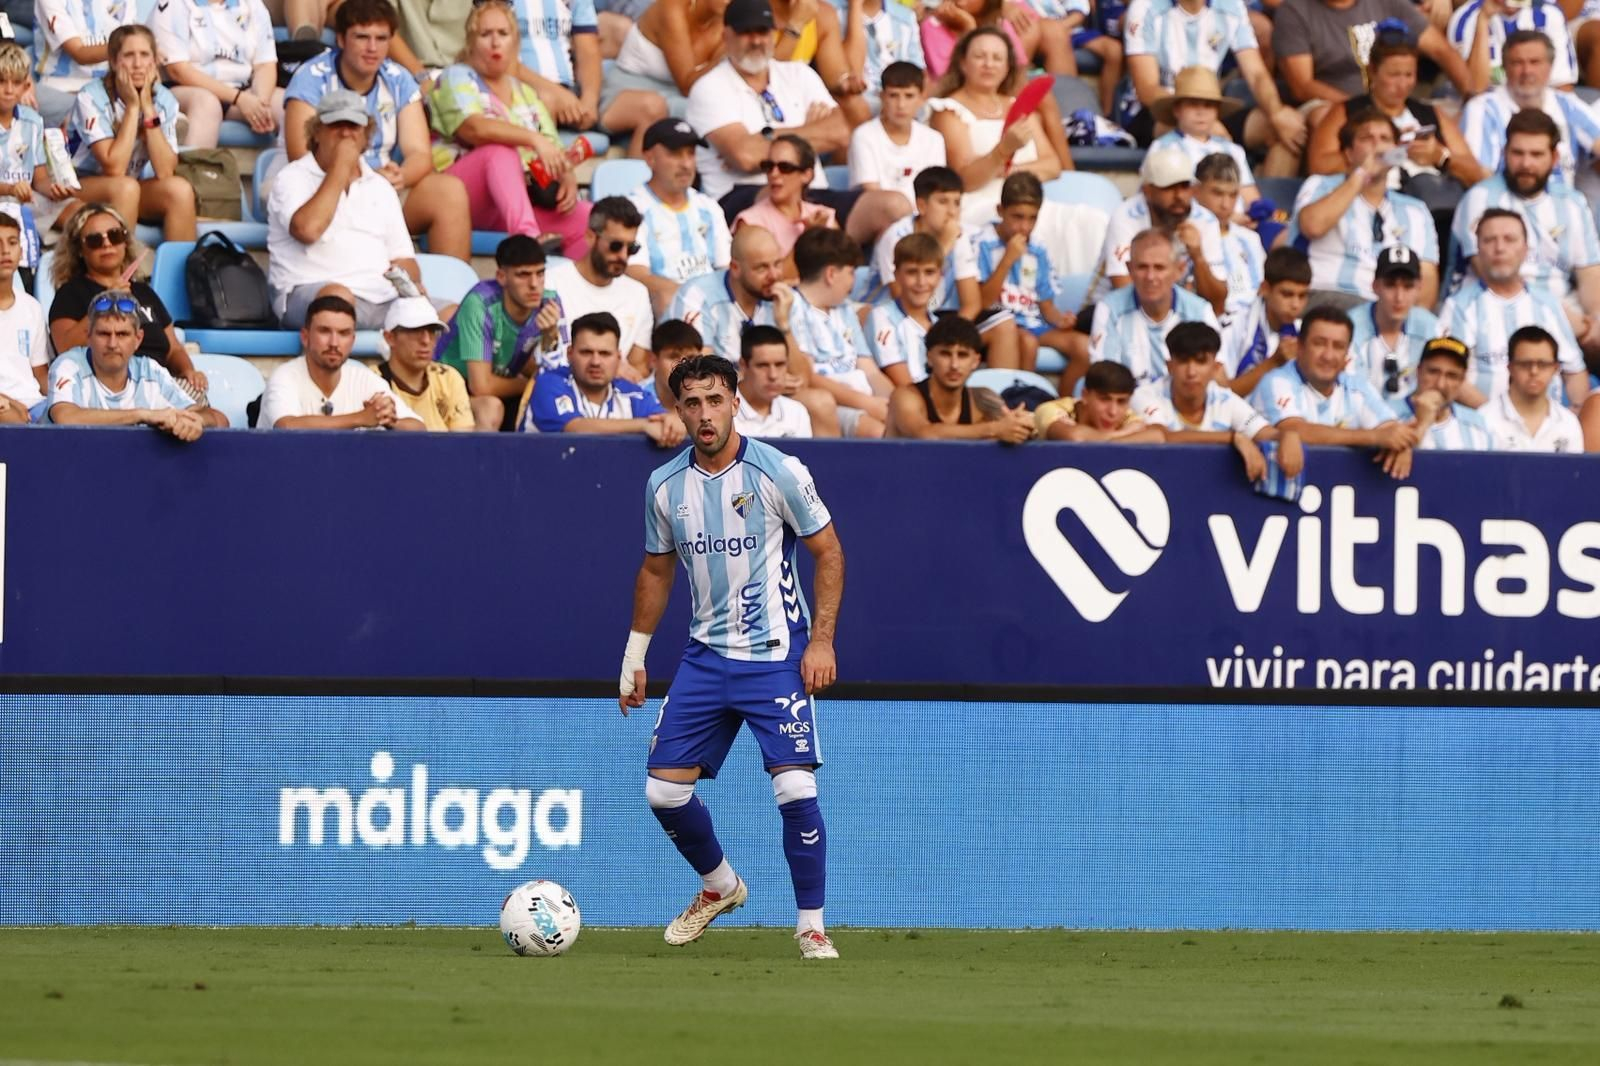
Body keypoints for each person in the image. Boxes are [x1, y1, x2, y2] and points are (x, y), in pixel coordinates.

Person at [618, 351, 845, 960]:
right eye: (692, 403)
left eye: (715, 400)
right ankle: (719, 886)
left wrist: (821, 640)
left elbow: (829, 553)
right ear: (679, 409)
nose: (705, 414)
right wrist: (634, 655)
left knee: (795, 788)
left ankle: (811, 926)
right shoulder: (665, 486)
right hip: (705, 658)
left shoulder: (779, 471)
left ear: (735, 400)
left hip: (775, 656)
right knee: (663, 793)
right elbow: (655, 571)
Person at [686, 0, 905, 245]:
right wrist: (810, 133)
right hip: (742, 197)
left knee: (894, 206)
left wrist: (764, 137)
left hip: (811, 194)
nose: (757, 41)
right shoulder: (710, 87)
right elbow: (746, 156)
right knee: (782, 195)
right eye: (746, 33)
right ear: (726, 36)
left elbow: (841, 132)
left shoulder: (797, 74)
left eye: (763, 31)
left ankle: (839, 259)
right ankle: (822, 252)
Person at [285, 0, 471, 261]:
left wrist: (400, 177)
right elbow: (299, 154)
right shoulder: (311, 76)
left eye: (381, 38)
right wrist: (362, 178)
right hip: (325, 186)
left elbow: (419, 154)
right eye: (362, 37)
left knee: (449, 191)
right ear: (340, 39)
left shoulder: (399, 78)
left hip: (383, 189)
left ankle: (457, 297)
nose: (372, 48)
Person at [423, 0, 585, 258]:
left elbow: (551, 146)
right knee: (499, 151)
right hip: (460, 197)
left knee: (586, 217)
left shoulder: (526, 91)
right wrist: (532, 139)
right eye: (485, 34)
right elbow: (474, 128)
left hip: (515, 200)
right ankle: (527, 239)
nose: (495, 42)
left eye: (503, 34)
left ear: (515, 43)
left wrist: (566, 174)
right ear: (471, 42)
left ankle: (573, 291)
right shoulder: (455, 77)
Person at [267, 90, 427, 330]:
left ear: (366, 136)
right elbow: (308, 230)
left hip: (381, 299)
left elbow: (405, 258)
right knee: (338, 301)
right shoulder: (292, 177)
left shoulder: (380, 187)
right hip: (310, 294)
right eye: (335, 125)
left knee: (450, 313)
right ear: (317, 132)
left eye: (354, 126)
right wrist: (341, 167)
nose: (345, 133)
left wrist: (408, 282)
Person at [1450, 108, 1600, 354]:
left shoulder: (1572, 202)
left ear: (1554, 159)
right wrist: (1562, 317)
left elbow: (1591, 274)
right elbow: (1494, 275)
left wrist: (1595, 319)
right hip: (1493, 308)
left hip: (1567, 313)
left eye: (1536, 154)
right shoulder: (1481, 198)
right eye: (1517, 153)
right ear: (1504, 153)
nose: (1526, 164)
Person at [1125, 2, 1306, 175]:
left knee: (1290, 130)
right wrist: (1205, 120)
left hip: (1210, 106)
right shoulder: (1145, 7)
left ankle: (1257, 199)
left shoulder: (1231, 5)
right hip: (1156, 112)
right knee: (1195, 128)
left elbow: (1257, 74)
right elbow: (1147, 89)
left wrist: (1276, 113)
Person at [1437, 208, 1590, 408]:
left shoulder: (1547, 304)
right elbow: (1449, 376)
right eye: (1489, 240)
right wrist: (1500, 421)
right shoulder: (1458, 306)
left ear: (1526, 249)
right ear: (1478, 250)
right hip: (1484, 428)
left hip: (1547, 428)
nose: (1499, 248)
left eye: (1509, 239)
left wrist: (1574, 416)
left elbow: (1574, 370)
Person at [927, 27, 1072, 234]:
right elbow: (965, 180)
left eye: (997, 58)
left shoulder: (1019, 107)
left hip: (1030, 202)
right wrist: (1003, 150)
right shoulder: (948, 110)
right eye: (979, 56)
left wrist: (1006, 173)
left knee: (1087, 222)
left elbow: (1052, 165)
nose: (988, 64)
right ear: (962, 63)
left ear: (1007, 67)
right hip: (983, 205)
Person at [1289, 109, 1438, 310]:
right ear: (1349, 153)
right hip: (1325, 298)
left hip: (1386, 312)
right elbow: (1313, 226)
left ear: (1396, 152)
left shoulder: (1415, 210)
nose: (1377, 145)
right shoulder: (1320, 186)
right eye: (1367, 138)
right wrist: (1361, 175)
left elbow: (1426, 278)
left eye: (1385, 138)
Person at [1305, 29, 1486, 194]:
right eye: (1393, 75)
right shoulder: (1346, 112)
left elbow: (1476, 174)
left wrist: (1440, 157)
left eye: (1409, 75)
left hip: (1434, 201)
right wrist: (1381, 153)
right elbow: (1319, 166)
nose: (1402, 84)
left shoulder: (1430, 114)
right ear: (1373, 71)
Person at [1249, 304, 1420, 478]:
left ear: (1347, 354)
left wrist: (1400, 444)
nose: (1328, 356)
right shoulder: (1277, 381)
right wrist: (1376, 437)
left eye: (1338, 346)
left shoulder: (1357, 386)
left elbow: (1390, 429)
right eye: (1319, 343)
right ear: (1299, 347)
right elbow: (1295, 431)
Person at [48, 203, 203, 389]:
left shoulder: (144, 292)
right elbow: (65, 348)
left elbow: (174, 349)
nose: (107, 244)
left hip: (159, 383)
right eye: (95, 240)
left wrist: (188, 371)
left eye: (115, 235)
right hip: (105, 387)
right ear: (80, 250)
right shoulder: (71, 293)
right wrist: (105, 300)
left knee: (214, 417)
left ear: (125, 241)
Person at [69, 24, 196, 243]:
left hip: (129, 187)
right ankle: (122, 273)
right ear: (113, 61)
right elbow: (114, 167)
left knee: (179, 190)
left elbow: (165, 171)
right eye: (129, 55)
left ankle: (185, 274)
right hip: (80, 185)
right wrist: (133, 108)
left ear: (154, 61)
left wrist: (147, 106)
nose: (138, 64)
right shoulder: (90, 97)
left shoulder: (165, 100)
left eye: (145, 55)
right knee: (126, 187)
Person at [1132, 321, 1303, 481]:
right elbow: (1162, 436)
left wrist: (1288, 435)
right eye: (1183, 361)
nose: (1191, 372)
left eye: (1200, 362)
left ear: (1215, 368)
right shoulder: (1146, 396)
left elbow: (1264, 432)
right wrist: (1233, 438)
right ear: (1170, 366)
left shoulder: (1225, 399)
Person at [1273, 0, 1473, 130]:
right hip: (1332, 103)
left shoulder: (1386, 3)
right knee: (1324, 117)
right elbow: (1303, 86)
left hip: (1397, 100)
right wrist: (1365, 108)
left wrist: (1471, 98)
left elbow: (1442, 51)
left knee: (1457, 119)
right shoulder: (1294, 11)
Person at [48, 288, 225, 435]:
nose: (112, 344)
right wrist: (142, 415)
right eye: (103, 334)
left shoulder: (150, 370)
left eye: (122, 334)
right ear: (88, 337)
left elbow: (218, 419)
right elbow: (66, 417)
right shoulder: (69, 365)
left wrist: (196, 421)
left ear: (138, 339)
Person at [438, 233, 565, 431]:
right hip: (450, 388)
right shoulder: (480, 303)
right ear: (502, 277)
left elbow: (554, 371)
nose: (534, 284)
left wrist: (550, 337)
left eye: (540, 274)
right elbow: (480, 387)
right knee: (492, 407)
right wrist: (531, 385)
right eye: (523, 275)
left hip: (503, 385)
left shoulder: (549, 303)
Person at [976, 171, 1085, 385]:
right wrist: (1007, 260)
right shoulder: (980, 243)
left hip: (1032, 323)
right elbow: (982, 303)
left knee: (1085, 347)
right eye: (1017, 217)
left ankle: (1060, 406)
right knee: (1027, 342)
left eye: (1032, 218)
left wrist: (1060, 319)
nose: (1025, 227)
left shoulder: (1038, 249)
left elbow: (1046, 306)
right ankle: (1022, 401)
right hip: (996, 322)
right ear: (1000, 211)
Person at [1090, 146, 1227, 314]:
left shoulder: (1205, 220)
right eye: (1169, 187)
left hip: (1174, 313)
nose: (1179, 196)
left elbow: (1218, 304)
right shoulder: (1126, 216)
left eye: (1185, 186)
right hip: (1111, 310)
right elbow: (1124, 288)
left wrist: (1198, 257)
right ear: (1147, 190)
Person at [1459, 29, 1600, 190]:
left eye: (1535, 62)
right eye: (1517, 63)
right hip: (1504, 205)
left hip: (1563, 206)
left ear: (1550, 66)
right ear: (1504, 67)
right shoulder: (1482, 109)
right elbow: (1478, 175)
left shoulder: (1567, 104)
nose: (1527, 71)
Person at [258, 295, 426, 430]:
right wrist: (362, 418)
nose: (334, 343)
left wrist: (389, 421)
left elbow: (418, 427)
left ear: (353, 340)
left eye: (344, 333)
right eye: (324, 331)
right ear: (305, 336)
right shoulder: (285, 376)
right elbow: (287, 426)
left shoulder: (365, 378)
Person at [788, 226, 894, 436]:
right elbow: (810, 377)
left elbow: (869, 369)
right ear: (831, 274)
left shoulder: (844, 308)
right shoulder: (792, 308)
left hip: (866, 400)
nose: (853, 282)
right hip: (832, 404)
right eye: (851, 272)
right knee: (878, 433)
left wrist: (895, 401)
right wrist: (867, 404)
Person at [523, 311, 686, 442]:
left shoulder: (632, 393)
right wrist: (643, 425)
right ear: (570, 354)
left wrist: (673, 422)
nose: (595, 361)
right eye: (586, 352)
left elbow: (666, 421)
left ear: (618, 357)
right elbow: (575, 428)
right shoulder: (549, 383)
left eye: (605, 353)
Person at [1089, 228, 1221, 388]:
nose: (1150, 277)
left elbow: (1217, 379)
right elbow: (1104, 379)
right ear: (1129, 269)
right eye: (1142, 267)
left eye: (1159, 268)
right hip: (1129, 408)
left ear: (1180, 270)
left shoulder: (1200, 311)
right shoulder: (1109, 308)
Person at [627, 118, 733, 316]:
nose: (686, 164)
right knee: (668, 297)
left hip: (713, 308)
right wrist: (689, 298)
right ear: (650, 158)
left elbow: (726, 268)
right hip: (664, 311)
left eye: (691, 154)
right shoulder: (634, 208)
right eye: (675, 154)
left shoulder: (709, 207)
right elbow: (636, 274)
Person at [546, 197, 655, 381]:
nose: (623, 256)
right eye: (615, 246)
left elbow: (639, 364)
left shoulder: (638, 294)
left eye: (631, 248)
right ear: (590, 237)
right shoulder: (551, 282)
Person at [152, 0, 284, 148]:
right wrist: (239, 99)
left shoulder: (253, 4)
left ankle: (301, 169)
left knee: (288, 104)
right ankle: (197, 170)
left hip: (242, 89)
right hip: (188, 89)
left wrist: (260, 104)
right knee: (207, 104)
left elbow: (265, 64)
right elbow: (178, 70)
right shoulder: (173, 4)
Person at [884, 315, 1035, 441]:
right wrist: (994, 429)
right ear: (929, 357)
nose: (954, 365)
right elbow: (925, 434)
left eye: (962, 355)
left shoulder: (982, 398)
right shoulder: (905, 396)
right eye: (945, 354)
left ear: (975, 361)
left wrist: (1020, 425)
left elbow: (1008, 426)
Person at [1146, 69, 1260, 207]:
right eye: (1193, 104)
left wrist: (1255, 216)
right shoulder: (1162, 148)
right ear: (1177, 109)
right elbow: (1159, 200)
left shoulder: (1233, 150)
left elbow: (1250, 197)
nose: (1201, 112)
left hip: (1237, 226)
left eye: (1208, 106)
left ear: (1217, 111)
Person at [604, 0, 733, 119]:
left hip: (676, 103)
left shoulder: (726, 25)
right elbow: (687, 87)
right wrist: (727, 56)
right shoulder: (672, 6)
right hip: (626, 98)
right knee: (716, 115)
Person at [733, 133, 839, 271]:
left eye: (785, 167)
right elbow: (767, 280)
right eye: (769, 166)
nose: (774, 174)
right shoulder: (750, 222)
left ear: (806, 175)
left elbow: (844, 270)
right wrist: (809, 238)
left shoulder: (823, 215)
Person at [847, 60, 946, 207]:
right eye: (893, 95)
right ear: (882, 97)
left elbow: (936, 190)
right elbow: (872, 193)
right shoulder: (864, 136)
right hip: (878, 216)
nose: (901, 105)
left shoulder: (934, 139)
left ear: (921, 98)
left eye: (909, 96)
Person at [1346, 246, 1438, 404]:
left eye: (1408, 286)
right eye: (1390, 285)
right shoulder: (1350, 326)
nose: (1399, 297)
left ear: (1419, 288)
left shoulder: (1432, 327)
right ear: (1375, 286)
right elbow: (1350, 393)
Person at [1191, 153, 1267, 332]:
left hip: (1253, 326)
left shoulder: (1250, 239)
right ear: (1195, 191)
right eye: (1217, 193)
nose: (1226, 204)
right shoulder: (1189, 236)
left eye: (1233, 195)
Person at [375, 297, 474, 432]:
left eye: (432, 331)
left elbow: (463, 442)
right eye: (415, 331)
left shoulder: (449, 377)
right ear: (390, 338)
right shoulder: (372, 381)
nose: (426, 340)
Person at [34, 0, 138, 128]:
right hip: (64, 89)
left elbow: (132, 42)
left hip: (113, 88)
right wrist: (129, 46)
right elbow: (79, 53)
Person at [1222, 246, 1311, 391]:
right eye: (1287, 294)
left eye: (1302, 296)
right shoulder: (1236, 323)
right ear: (1265, 289)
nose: (1295, 305)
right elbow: (1221, 396)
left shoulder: (1303, 330)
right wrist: (1273, 363)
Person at [1484, 324, 1585, 451]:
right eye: (1525, 364)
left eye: (1542, 364)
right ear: (1510, 367)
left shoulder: (1569, 423)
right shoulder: (1484, 420)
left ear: (1555, 369)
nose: (1534, 371)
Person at [866, 231, 940, 387]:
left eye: (929, 272)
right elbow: (903, 384)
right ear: (896, 274)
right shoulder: (882, 317)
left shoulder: (939, 325)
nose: (921, 282)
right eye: (912, 272)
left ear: (940, 275)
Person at [1450, 0, 1578, 90]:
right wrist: (1483, 19)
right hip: (1489, 111)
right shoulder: (1465, 19)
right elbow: (1475, 90)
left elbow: (1562, 85)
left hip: (1539, 109)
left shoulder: (1549, 14)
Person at [1401, 337, 1497, 451]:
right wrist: (1423, 423)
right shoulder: (1386, 417)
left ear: (1462, 380)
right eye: (1433, 372)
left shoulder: (1480, 428)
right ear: (1418, 371)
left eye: (1452, 376)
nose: (1440, 384)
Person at [1033, 359, 1167, 441]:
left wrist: (1098, 437)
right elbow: (1075, 436)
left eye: (1121, 402)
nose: (1113, 412)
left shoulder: (1127, 415)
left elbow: (1156, 436)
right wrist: (1124, 434)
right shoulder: (1050, 409)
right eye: (1104, 399)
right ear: (1085, 395)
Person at [0, 213, 47, 422]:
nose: (5, 251)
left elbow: (40, 373)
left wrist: (63, 400)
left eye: (12, 242)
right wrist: (12, 404)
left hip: (34, 403)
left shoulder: (32, 307)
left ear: (21, 250)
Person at [735, 322, 814, 437]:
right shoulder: (721, 413)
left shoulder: (797, 413)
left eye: (780, 364)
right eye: (762, 365)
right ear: (743, 365)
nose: (773, 375)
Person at [646, 317, 705, 411]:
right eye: (673, 357)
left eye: (691, 358)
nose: (683, 365)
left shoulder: (711, 399)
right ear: (653, 360)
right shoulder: (633, 399)